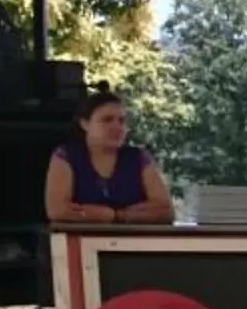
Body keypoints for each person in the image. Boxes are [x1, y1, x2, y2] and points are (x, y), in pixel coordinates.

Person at [45, 91, 175, 225]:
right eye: (107, 120)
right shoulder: (66, 156)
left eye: (122, 121)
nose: (117, 127)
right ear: (85, 124)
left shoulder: (139, 158)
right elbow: (57, 210)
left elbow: (166, 211)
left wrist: (115, 215)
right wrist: (137, 214)